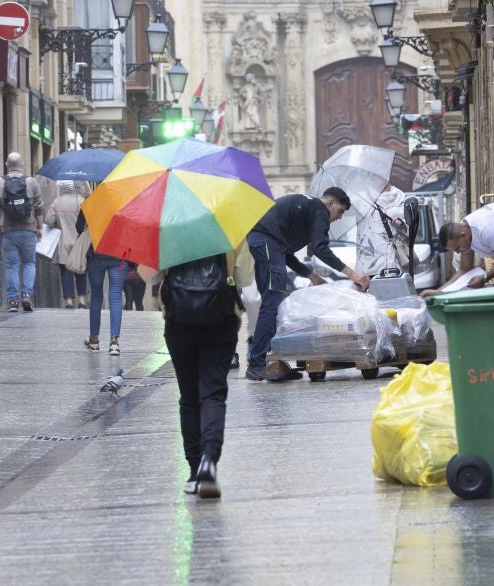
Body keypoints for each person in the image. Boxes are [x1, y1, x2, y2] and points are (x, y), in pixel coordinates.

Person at [154, 244, 254, 499]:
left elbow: (149, 274)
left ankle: (193, 470)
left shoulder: (169, 224)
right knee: (213, 394)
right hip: (220, 317)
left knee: (188, 398)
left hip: (179, 319)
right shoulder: (229, 224)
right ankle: (209, 459)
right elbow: (244, 277)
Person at [245, 187, 371, 382]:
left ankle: (271, 362)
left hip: (265, 242)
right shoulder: (319, 209)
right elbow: (321, 249)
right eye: (339, 211)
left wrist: (311, 275)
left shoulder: (307, 210)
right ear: (330, 203)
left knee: (274, 303)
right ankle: (256, 364)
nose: (339, 217)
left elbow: (286, 254)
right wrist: (352, 273)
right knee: (272, 302)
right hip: (266, 241)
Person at [0, 152, 44, 312]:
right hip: (28, 229)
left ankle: (13, 301)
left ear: (7, 164)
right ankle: (26, 295)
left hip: (8, 230)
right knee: (29, 263)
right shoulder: (31, 182)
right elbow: (39, 206)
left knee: (12, 266)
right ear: (22, 165)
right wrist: (40, 227)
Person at [420, 201, 494, 297]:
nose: (458, 252)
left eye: (457, 248)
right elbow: (464, 269)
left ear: (463, 236)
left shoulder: (485, 230)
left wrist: (485, 277)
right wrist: (438, 292)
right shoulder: (465, 232)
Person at [76, 205, 127, 356]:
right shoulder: (125, 202)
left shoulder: (92, 201)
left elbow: (79, 227)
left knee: (96, 297)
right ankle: (114, 343)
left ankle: (94, 340)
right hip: (119, 254)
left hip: (97, 254)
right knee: (115, 296)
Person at [44, 180, 88, 309]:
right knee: (80, 269)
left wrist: (57, 222)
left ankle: (69, 301)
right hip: (80, 241)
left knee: (65, 271)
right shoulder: (82, 201)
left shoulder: (57, 202)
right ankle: (82, 301)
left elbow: (49, 220)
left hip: (63, 241)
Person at [354, 184, 408, 276]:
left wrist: (403, 225)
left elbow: (412, 228)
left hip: (397, 264)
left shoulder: (403, 198)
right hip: (368, 267)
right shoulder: (360, 198)